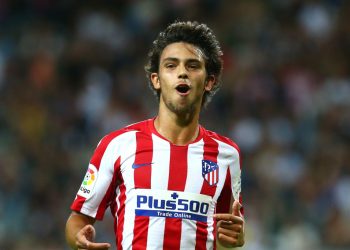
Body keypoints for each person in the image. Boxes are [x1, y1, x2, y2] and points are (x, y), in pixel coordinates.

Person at [65, 20, 245, 250]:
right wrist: (79, 241)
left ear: (209, 81)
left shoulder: (227, 155)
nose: (182, 73)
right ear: (156, 79)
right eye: (171, 65)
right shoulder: (118, 145)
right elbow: (78, 219)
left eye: (192, 66)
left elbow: (228, 235)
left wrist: (236, 240)